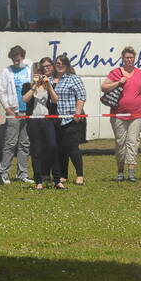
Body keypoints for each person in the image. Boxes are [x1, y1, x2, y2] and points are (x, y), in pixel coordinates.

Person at [102, 46, 141, 183]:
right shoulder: (115, 72)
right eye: (126, 57)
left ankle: (132, 172)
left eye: (131, 57)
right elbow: (103, 86)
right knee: (120, 143)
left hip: (137, 114)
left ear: (134, 59)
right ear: (122, 58)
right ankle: (120, 172)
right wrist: (118, 82)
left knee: (133, 142)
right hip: (118, 115)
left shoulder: (140, 74)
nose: (129, 60)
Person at [0, 45, 32, 185]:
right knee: (10, 143)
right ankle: (3, 171)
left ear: (23, 57)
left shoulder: (29, 70)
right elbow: (1, 92)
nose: (17, 62)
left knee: (25, 144)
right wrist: (7, 108)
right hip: (14, 112)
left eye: (19, 59)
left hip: (27, 112)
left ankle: (22, 173)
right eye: (14, 60)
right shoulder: (6, 72)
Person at [25, 57, 61, 189]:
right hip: (34, 121)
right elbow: (25, 99)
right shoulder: (28, 86)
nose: (39, 76)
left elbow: (55, 100)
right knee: (36, 150)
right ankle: (38, 180)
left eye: (40, 74)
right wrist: (34, 86)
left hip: (47, 120)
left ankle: (57, 180)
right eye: (36, 74)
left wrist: (49, 85)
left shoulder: (48, 85)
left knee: (53, 146)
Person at [53, 54, 88, 186]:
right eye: (57, 63)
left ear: (67, 65)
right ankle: (63, 175)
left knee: (72, 148)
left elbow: (82, 95)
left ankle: (79, 175)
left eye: (62, 63)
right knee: (60, 149)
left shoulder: (73, 78)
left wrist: (78, 113)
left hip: (71, 119)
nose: (60, 65)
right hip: (56, 120)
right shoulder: (51, 79)